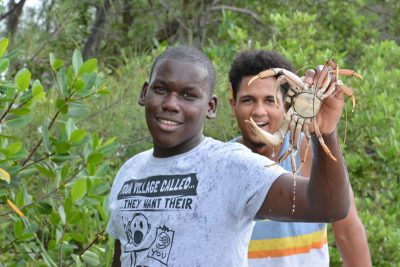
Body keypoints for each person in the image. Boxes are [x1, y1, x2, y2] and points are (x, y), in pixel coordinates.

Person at [107, 45, 350, 267]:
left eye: (188, 95)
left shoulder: (232, 165)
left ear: (211, 107)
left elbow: (329, 206)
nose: (171, 104)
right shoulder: (129, 172)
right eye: (161, 89)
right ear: (144, 93)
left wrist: (324, 133)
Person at [228, 49, 371, 267]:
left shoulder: (316, 156)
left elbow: (348, 233)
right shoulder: (222, 162)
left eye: (269, 100)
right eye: (248, 100)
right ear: (233, 104)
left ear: (286, 104)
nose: (259, 111)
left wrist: (326, 131)